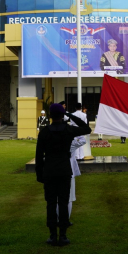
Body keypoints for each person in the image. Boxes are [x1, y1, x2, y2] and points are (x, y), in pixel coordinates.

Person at [36, 103, 91, 246]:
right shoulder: (68, 130)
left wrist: (39, 174)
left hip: (49, 169)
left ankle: (53, 235)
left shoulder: (44, 132)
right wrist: (71, 115)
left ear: (50, 116)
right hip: (64, 169)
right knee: (63, 202)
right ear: (62, 115)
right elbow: (87, 128)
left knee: (51, 203)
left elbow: (38, 155)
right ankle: (64, 235)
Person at [58, 134, 87, 226]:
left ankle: (58, 219)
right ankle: (65, 220)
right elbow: (83, 140)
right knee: (69, 198)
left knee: (56, 198)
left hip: (55, 172)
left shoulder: (52, 141)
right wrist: (74, 133)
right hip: (68, 173)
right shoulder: (71, 143)